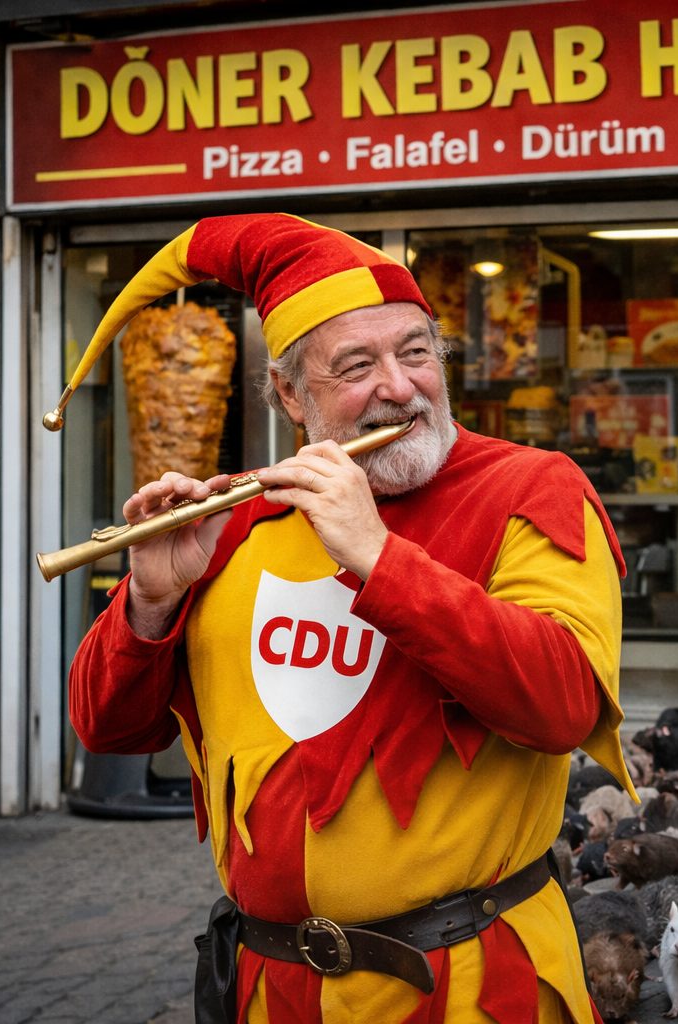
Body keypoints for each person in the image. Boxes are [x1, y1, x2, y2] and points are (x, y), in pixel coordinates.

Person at [62, 214, 634, 1024]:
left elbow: (563, 707)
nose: (399, 388)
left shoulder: (531, 488)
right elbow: (109, 729)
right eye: (357, 366)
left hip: (471, 987)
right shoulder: (241, 517)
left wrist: (379, 557)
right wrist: (149, 604)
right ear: (292, 395)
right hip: (268, 989)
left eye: (416, 353)